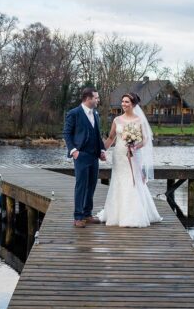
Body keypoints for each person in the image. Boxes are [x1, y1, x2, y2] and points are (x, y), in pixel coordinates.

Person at [97, 92, 162, 227]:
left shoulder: (139, 120)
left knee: (134, 181)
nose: (124, 104)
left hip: (134, 155)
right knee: (119, 181)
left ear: (133, 104)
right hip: (119, 155)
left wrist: (135, 147)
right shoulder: (117, 120)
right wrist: (102, 150)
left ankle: (134, 215)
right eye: (123, 101)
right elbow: (111, 138)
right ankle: (117, 214)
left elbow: (145, 140)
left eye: (127, 102)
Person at [62, 87, 107, 228]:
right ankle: (78, 216)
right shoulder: (74, 113)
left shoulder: (96, 114)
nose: (98, 100)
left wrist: (102, 150)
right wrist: (74, 151)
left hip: (94, 156)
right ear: (88, 99)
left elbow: (97, 134)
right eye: (96, 98)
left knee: (92, 185)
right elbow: (67, 133)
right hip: (81, 155)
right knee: (81, 186)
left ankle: (87, 214)